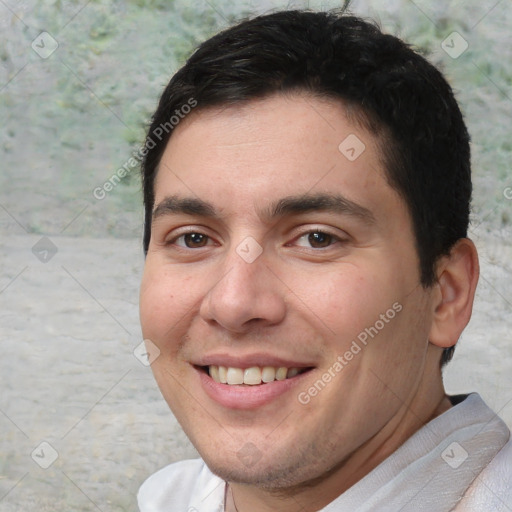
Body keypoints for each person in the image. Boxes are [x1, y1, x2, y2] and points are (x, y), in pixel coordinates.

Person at [137, 8, 512, 512]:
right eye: (192, 239)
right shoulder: (168, 499)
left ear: (447, 293)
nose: (232, 303)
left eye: (316, 238)